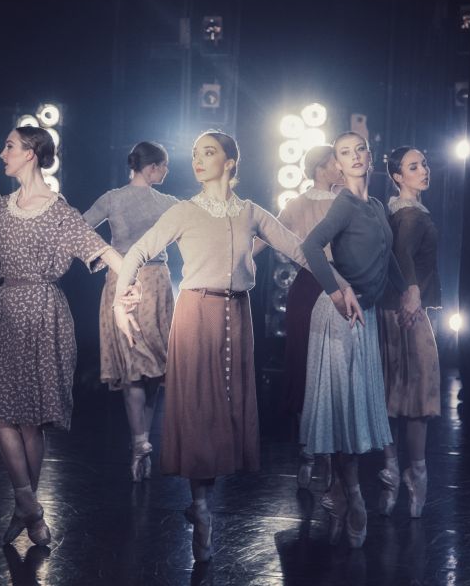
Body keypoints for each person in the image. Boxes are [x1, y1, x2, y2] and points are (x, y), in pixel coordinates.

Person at [113, 130, 323, 562]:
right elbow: (136, 252)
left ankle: (202, 503)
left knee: (224, 410)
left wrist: (341, 287)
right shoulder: (184, 211)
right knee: (198, 408)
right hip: (196, 313)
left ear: (230, 161)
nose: (198, 159)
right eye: (195, 153)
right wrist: (120, 300)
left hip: (237, 316)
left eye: (208, 152)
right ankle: (203, 507)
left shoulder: (250, 211)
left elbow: (301, 251)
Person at [0, 126, 138, 547]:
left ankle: (26, 506)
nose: (2, 153)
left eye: (9, 146)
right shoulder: (4, 207)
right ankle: (28, 504)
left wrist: (128, 286)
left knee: (30, 419)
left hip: (43, 311)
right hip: (6, 308)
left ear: (30, 153)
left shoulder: (59, 211)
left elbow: (102, 249)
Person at [298, 131, 417, 547]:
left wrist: (408, 291)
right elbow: (310, 246)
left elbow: (387, 259)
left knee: (350, 414)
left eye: (359, 149)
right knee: (342, 416)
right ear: (337, 162)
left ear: (369, 156)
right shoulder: (344, 203)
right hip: (339, 317)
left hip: (364, 317)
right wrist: (335, 290)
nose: (354, 157)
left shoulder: (376, 205)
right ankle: (352, 494)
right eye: (344, 152)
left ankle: (341, 490)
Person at [82, 141, 178, 482]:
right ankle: (142, 441)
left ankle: (140, 442)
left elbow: (79, 229)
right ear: (152, 167)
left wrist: (106, 257)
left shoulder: (112, 198)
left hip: (121, 279)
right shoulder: (168, 203)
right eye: (164, 166)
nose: (166, 171)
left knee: (134, 367)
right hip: (154, 282)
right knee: (150, 368)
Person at [257, 145, 346, 490]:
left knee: (335, 368)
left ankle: (328, 457)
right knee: (304, 365)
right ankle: (307, 452)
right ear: (322, 167)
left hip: (341, 284)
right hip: (309, 287)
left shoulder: (347, 202)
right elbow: (268, 236)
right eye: (336, 162)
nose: (341, 167)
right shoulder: (296, 204)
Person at [376, 147, 442, 518]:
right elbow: (400, 254)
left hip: (393, 309)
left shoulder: (404, 211)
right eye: (413, 167)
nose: (423, 170)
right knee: (416, 396)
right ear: (397, 177)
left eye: (424, 164)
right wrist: (412, 292)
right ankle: (414, 476)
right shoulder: (410, 214)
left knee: (393, 395)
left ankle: (394, 472)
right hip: (406, 311)